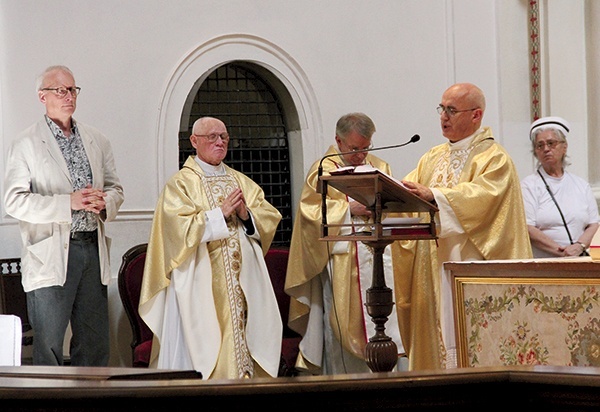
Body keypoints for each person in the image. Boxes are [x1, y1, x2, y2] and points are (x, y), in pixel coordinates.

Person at [393, 82, 532, 370]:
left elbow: (486, 198)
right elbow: (408, 194)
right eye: (441, 109)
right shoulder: (432, 156)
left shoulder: (494, 158)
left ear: (476, 115)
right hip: (430, 264)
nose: (443, 116)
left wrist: (436, 196)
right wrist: (377, 200)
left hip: (467, 262)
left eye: (452, 110)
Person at [139, 116, 283, 380]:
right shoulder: (181, 183)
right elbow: (175, 231)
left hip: (244, 283)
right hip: (199, 283)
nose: (220, 142)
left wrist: (245, 214)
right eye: (212, 137)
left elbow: (269, 217)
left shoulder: (240, 181)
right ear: (194, 141)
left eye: (224, 137)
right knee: (208, 342)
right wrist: (219, 215)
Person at [3, 65, 124, 366]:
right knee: (50, 346)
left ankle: (93, 405)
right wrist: (66, 203)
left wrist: (104, 201)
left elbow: (115, 188)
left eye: (72, 90)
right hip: (51, 251)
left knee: (95, 344)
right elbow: (14, 202)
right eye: (61, 90)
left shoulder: (97, 139)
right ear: (42, 96)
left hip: (91, 249)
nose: (69, 96)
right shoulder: (26, 143)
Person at [285, 112, 406, 375]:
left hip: (379, 257)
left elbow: (396, 206)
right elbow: (310, 215)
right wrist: (348, 208)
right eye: (354, 149)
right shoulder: (323, 170)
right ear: (338, 141)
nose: (361, 155)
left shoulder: (380, 168)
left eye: (365, 148)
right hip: (340, 261)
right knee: (339, 328)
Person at [521, 116, 599, 258]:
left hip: (580, 259)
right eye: (540, 145)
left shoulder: (581, 185)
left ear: (564, 147)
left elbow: (594, 223)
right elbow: (527, 227)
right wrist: (561, 251)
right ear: (535, 152)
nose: (546, 149)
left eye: (551, 143)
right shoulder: (528, 186)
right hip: (546, 262)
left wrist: (579, 246)